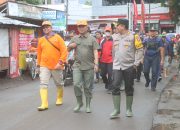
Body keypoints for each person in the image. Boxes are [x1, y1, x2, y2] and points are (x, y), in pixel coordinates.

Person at [110, 19, 144, 119]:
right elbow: (113, 51)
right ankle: (116, 110)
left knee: (129, 87)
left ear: (123, 26)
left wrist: (136, 63)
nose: (116, 27)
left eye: (118, 26)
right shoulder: (115, 37)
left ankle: (129, 109)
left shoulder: (134, 36)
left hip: (129, 66)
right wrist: (113, 62)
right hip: (117, 66)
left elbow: (140, 50)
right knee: (115, 86)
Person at [67, 20, 99, 113]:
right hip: (77, 66)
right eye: (79, 26)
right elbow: (67, 49)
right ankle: (79, 103)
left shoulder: (92, 39)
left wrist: (96, 64)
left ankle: (88, 105)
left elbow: (95, 52)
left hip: (89, 66)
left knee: (88, 87)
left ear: (87, 27)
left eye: (82, 26)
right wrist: (71, 46)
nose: (80, 28)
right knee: (76, 84)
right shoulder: (75, 38)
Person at [37, 21, 68, 111]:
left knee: (59, 83)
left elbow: (64, 51)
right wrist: (38, 65)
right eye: (44, 27)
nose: (45, 28)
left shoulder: (58, 38)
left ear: (51, 28)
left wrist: (61, 62)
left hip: (56, 65)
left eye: (47, 27)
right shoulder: (41, 40)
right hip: (44, 65)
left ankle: (59, 98)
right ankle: (44, 104)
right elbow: (39, 53)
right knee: (43, 83)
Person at [143, 26, 164, 91]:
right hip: (147, 57)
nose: (152, 33)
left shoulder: (159, 39)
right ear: (149, 32)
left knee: (155, 72)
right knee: (145, 71)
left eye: (154, 31)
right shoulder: (145, 39)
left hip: (156, 57)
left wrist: (162, 59)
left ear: (156, 32)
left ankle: (153, 86)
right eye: (151, 31)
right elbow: (144, 48)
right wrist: (142, 57)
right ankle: (148, 80)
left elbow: (162, 49)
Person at [99, 26, 113, 93]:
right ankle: (106, 82)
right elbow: (99, 50)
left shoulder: (114, 40)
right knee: (102, 74)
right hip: (103, 60)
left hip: (111, 60)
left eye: (109, 31)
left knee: (110, 74)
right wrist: (98, 58)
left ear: (111, 32)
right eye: (106, 31)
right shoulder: (102, 40)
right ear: (105, 32)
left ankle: (110, 87)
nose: (107, 32)